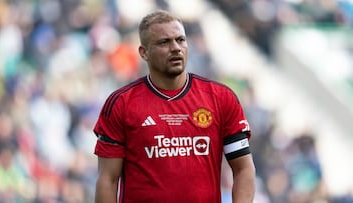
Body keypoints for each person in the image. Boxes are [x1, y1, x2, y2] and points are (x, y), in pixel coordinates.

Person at [93, 10, 256, 203]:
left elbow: (243, 168)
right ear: (144, 52)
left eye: (180, 40)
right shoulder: (121, 104)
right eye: (164, 42)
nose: (176, 48)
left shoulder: (221, 98)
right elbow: (108, 180)